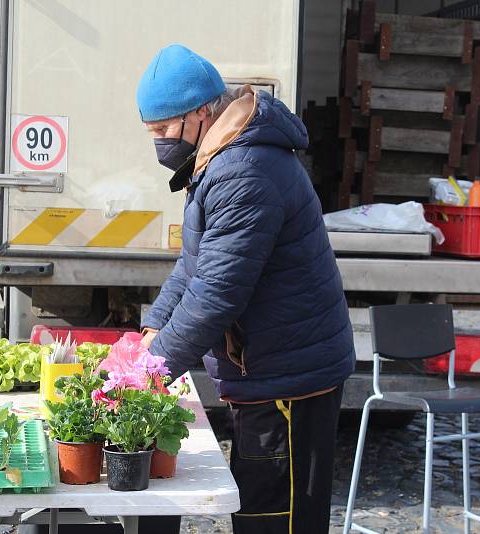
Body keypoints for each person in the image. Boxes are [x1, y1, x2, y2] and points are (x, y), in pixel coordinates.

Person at [136, 44, 356, 534]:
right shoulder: (222, 158)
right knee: (257, 512)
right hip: (271, 374)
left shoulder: (244, 170)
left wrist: (149, 375)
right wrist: (152, 329)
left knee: (278, 520)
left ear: (199, 113)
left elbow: (217, 291)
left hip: (291, 380)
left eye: (164, 131)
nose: (159, 145)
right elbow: (194, 267)